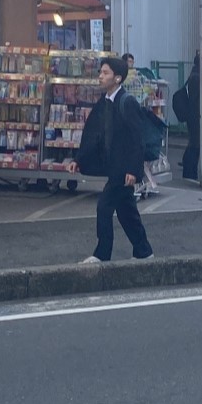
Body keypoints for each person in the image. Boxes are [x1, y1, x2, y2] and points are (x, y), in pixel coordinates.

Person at [71, 57, 153, 262]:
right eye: (100, 72)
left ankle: (102, 254)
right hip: (114, 165)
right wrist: (79, 159)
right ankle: (143, 251)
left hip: (123, 168)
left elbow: (137, 139)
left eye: (105, 73)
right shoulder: (105, 102)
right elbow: (93, 133)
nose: (100, 76)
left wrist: (133, 170)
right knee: (127, 212)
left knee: (104, 207)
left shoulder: (127, 102)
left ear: (117, 78)